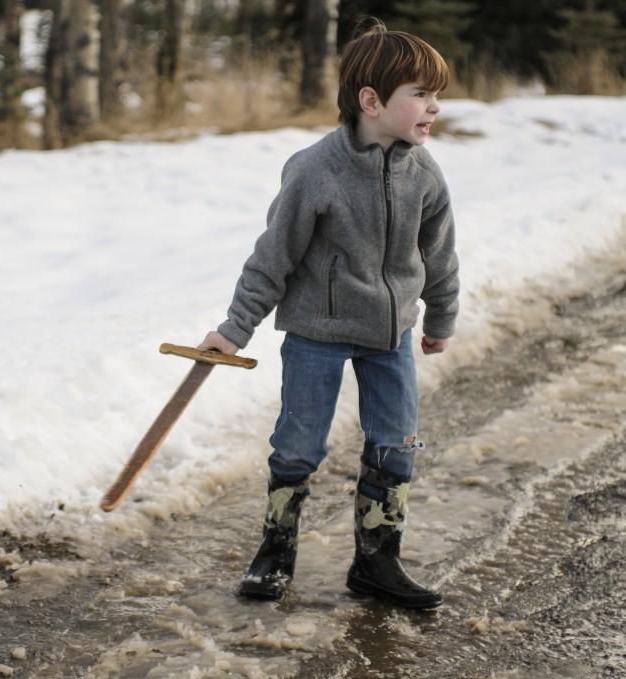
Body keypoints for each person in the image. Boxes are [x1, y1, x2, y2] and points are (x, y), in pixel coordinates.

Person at [198, 19, 459, 609]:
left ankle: (376, 562)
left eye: (435, 94)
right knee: (297, 444)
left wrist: (440, 318)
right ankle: (275, 551)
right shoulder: (316, 169)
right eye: (420, 93)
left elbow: (439, 255)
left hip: (390, 334)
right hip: (316, 333)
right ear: (371, 101)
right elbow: (272, 258)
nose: (434, 107)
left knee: (396, 443)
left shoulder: (425, 173)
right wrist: (234, 329)